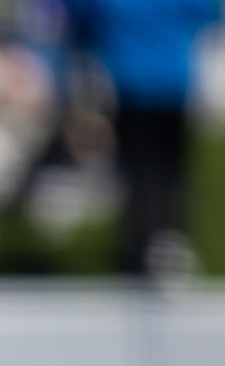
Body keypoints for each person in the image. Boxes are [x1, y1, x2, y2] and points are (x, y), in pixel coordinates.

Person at [63, 0, 222, 276]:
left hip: (130, 87)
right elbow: (207, 12)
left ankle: (140, 252)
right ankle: (166, 244)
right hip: (173, 85)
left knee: (138, 176)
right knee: (171, 174)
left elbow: (80, 20)